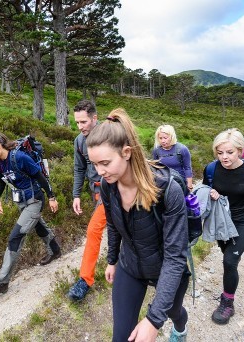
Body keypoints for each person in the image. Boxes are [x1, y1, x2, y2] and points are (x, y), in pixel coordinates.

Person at [87, 108, 190, 342]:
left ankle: (181, 326)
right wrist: (112, 260)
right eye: (94, 164)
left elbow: (175, 257)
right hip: (130, 266)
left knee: (173, 312)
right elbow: (113, 225)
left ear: (126, 152)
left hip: (166, 269)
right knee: (121, 338)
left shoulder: (167, 189)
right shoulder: (107, 185)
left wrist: (153, 321)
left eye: (105, 162)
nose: (100, 172)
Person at [0, 132, 61, 298]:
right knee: (38, 226)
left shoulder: (20, 158)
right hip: (21, 202)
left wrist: (52, 197)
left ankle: (1, 283)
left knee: (15, 237)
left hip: (35, 200)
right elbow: (1, 181)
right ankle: (55, 250)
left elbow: (41, 177)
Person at [202, 128, 244, 325]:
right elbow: (205, 191)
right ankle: (228, 291)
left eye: (229, 152)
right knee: (227, 256)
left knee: (230, 261)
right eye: (220, 152)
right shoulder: (211, 169)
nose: (224, 157)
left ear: (240, 150)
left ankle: (228, 303)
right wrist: (210, 193)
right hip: (221, 221)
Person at [67, 100, 106, 301]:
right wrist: (76, 195)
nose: (80, 126)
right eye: (77, 123)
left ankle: (85, 280)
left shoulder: (109, 135)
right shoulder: (79, 141)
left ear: (94, 118)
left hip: (115, 192)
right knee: (107, 229)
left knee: (93, 230)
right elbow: (79, 169)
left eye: (83, 122)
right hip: (96, 193)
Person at [152, 124, 194, 191]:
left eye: (165, 138)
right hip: (164, 184)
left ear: (172, 137)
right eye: (160, 138)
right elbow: (155, 168)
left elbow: (187, 168)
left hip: (180, 183)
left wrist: (189, 185)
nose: (162, 141)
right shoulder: (156, 150)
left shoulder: (182, 149)